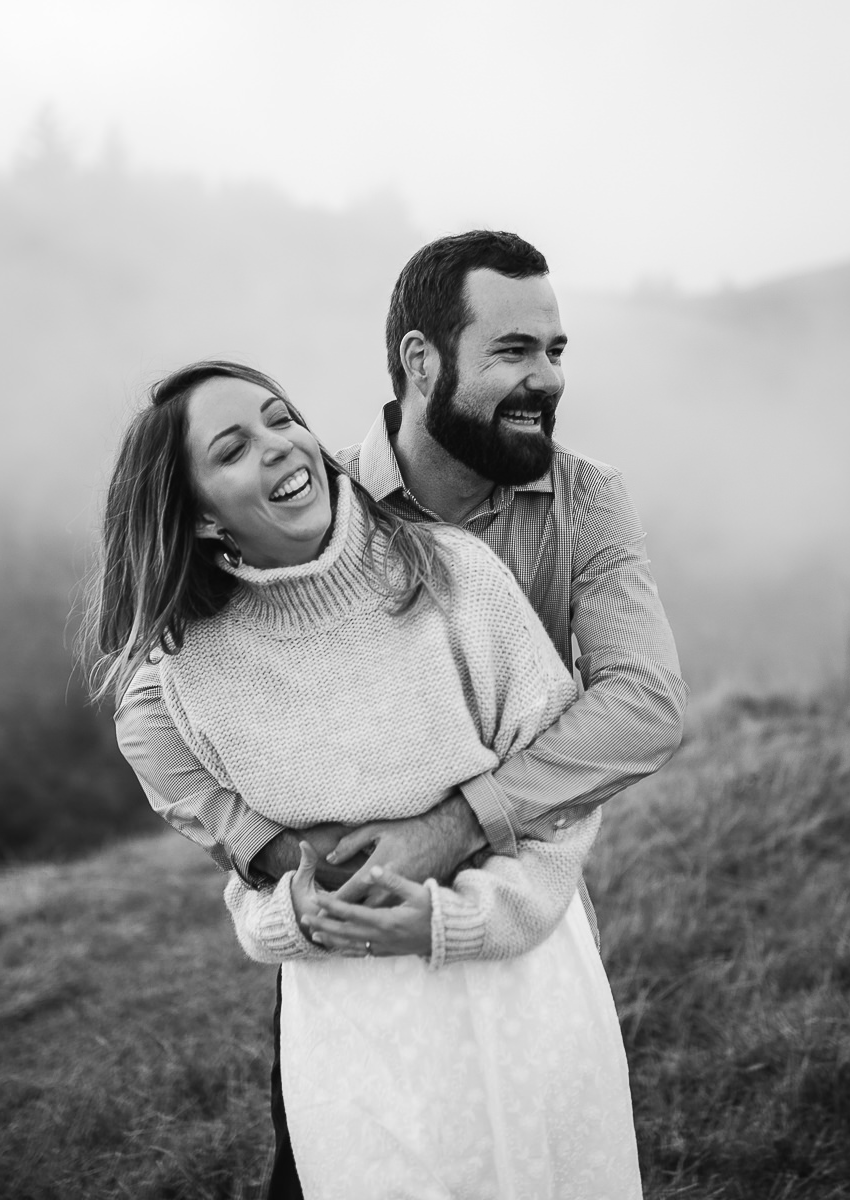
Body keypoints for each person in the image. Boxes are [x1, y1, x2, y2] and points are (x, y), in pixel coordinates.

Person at [113, 231, 687, 1194]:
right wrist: (278, 856)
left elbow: (643, 707)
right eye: (512, 351)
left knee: (534, 1154)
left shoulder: (584, 502)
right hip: (351, 936)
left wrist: (452, 827)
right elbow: (152, 703)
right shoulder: (314, 508)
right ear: (423, 363)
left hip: (513, 902)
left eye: (555, 352)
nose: (545, 378)